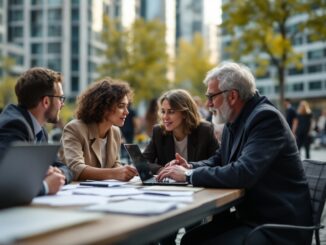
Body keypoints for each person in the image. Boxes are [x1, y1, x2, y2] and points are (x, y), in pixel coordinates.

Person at [157, 62, 313, 245]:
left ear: (232, 96)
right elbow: (220, 159)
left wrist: (189, 175)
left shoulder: (265, 119)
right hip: (254, 216)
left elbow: (243, 172)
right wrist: (190, 166)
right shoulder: (237, 119)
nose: (208, 104)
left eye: (211, 97)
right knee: (191, 239)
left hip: (278, 225)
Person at [0, 67, 73, 195]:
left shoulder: (39, 131)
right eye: (60, 98)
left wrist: (58, 174)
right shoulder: (14, 126)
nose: (63, 104)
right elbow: (6, 185)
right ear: (46, 101)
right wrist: (45, 186)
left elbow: (64, 167)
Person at [60, 78, 138, 181]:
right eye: (121, 106)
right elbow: (75, 168)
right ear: (104, 107)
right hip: (77, 193)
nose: (126, 112)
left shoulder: (115, 132)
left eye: (127, 106)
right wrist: (114, 173)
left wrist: (129, 171)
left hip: (104, 193)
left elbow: (115, 165)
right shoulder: (74, 129)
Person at [143, 89, 219, 174]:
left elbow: (217, 161)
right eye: (163, 111)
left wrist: (189, 167)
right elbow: (143, 162)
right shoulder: (158, 132)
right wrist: (162, 170)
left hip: (197, 184)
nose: (165, 117)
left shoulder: (205, 130)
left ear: (185, 113)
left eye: (171, 112)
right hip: (168, 186)